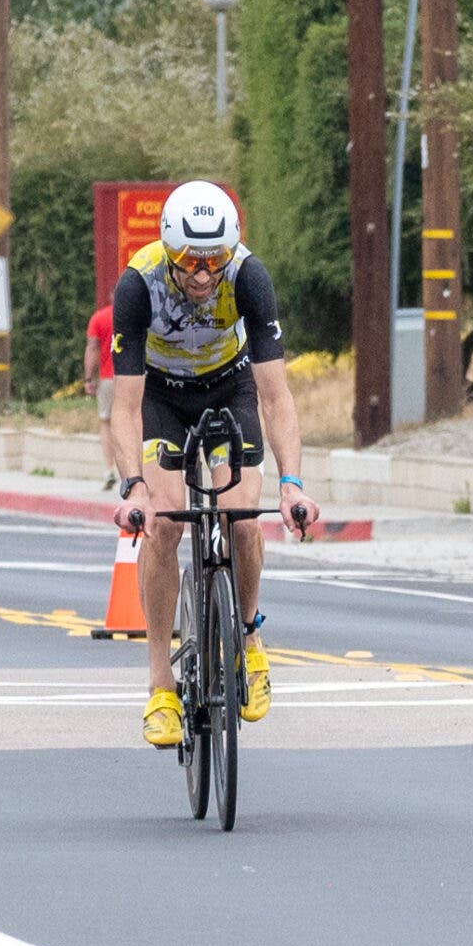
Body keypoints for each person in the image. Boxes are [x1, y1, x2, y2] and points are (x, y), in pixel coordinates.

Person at [103, 181, 318, 747]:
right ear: (170, 252)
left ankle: (248, 639)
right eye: (190, 262)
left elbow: (275, 396)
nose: (203, 275)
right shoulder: (137, 285)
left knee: (243, 517)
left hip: (231, 389)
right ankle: (159, 686)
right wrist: (134, 489)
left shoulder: (249, 277)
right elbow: (124, 409)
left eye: (214, 260)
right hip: (162, 399)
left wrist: (293, 483)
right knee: (166, 523)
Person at [84, 298, 116, 487]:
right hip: (135, 376)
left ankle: (110, 468)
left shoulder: (99, 318)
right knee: (135, 420)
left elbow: (93, 347)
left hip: (108, 378)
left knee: (106, 422)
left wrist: (89, 378)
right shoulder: (134, 313)